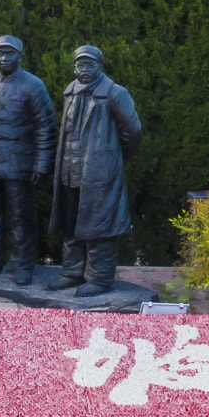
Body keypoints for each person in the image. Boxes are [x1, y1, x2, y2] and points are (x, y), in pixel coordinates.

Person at [49, 45, 142, 297]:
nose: (84, 69)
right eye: (80, 64)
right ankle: (72, 271)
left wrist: (111, 158)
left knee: (100, 226)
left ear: (100, 66)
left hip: (98, 172)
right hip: (69, 169)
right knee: (71, 222)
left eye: (90, 65)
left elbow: (132, 132)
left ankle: (100, 278)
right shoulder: (70, 91)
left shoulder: (114, 93)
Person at [0, 34, 55, 285]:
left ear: (20, 56)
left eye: (10, 53)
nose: (4, 58)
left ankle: (22, 263)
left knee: (20, 215)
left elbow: (45, 128)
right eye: (0, 53)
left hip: (19, 163)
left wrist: (41, 163)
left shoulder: (33, 85)